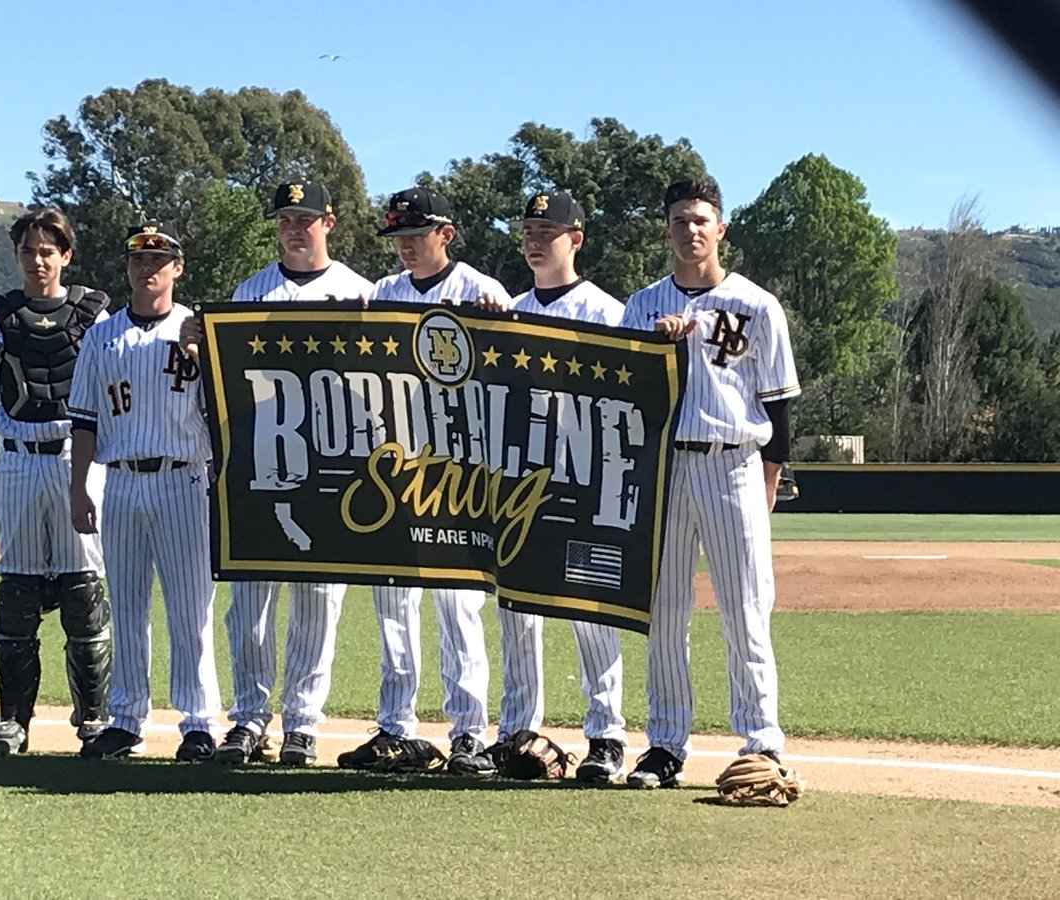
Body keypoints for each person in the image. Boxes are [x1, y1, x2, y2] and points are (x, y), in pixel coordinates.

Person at [180, 180, 374, 767]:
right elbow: (226, 379)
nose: (294, 227)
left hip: (332, 464)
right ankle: (247, 717)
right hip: (261, 462)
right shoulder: (251, 290)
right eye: (285, 219)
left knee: (319, 599)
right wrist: (198, 348)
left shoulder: (360, 292)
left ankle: (304, 724)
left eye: (305, 218)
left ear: (329, 222)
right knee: (250, 604)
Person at [620, 178, 800, 788]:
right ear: (665, 230)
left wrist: (769, 481)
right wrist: (654, 349)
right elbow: (626, 398)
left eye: (701, 219)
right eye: (679, 220)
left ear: (721, 228)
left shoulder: (757, 305)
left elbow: (778, 411)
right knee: (664, 613)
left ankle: (762, 740)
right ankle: (666, 745)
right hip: (665, 468)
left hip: (733, 463)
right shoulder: (641, 307)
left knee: (746, 611)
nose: (690, 229)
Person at [336, 186, 510, 776]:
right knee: (393, 603)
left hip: (461, 470)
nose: (406, 246)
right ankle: (396, 727)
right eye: (399, 237)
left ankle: (468, 733)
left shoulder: (482, 292)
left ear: (446, 233)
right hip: (400, 465)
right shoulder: (382, 293)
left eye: (416, 234)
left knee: (458, 606)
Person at [486, 190, 630, 783]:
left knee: (589, 609)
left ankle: (606, 736)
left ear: (577, 238)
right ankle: (518, 727)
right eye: (529, 228)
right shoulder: (509, 309)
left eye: (549, 229)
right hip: (518, 476)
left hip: (584, 476)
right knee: (516, 606)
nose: (536, 239)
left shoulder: (606, 311)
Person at [69, 222, 220, 761]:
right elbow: (83, 418)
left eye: (159, 258)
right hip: (122, 480)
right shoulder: (102, 336)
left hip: (183, 477)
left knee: (190, 608)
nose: (147, 267)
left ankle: (199, 721)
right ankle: (126, 718)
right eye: (138, 258)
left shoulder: (199, 331)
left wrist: (208, 358)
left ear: (178, 267)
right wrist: (78, 487)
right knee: (128, 607)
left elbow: (227, 410)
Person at [0, 208, 112, 755]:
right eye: (27, 251)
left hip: (77, 457)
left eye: (47, 250)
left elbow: (110, 381)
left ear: (66, 255)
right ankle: (13, 720)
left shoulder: (94, 314)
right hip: (19, 459)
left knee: (82, 591)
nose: (37, 260)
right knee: (19, 591)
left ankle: (94, 718)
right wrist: (3, 430)